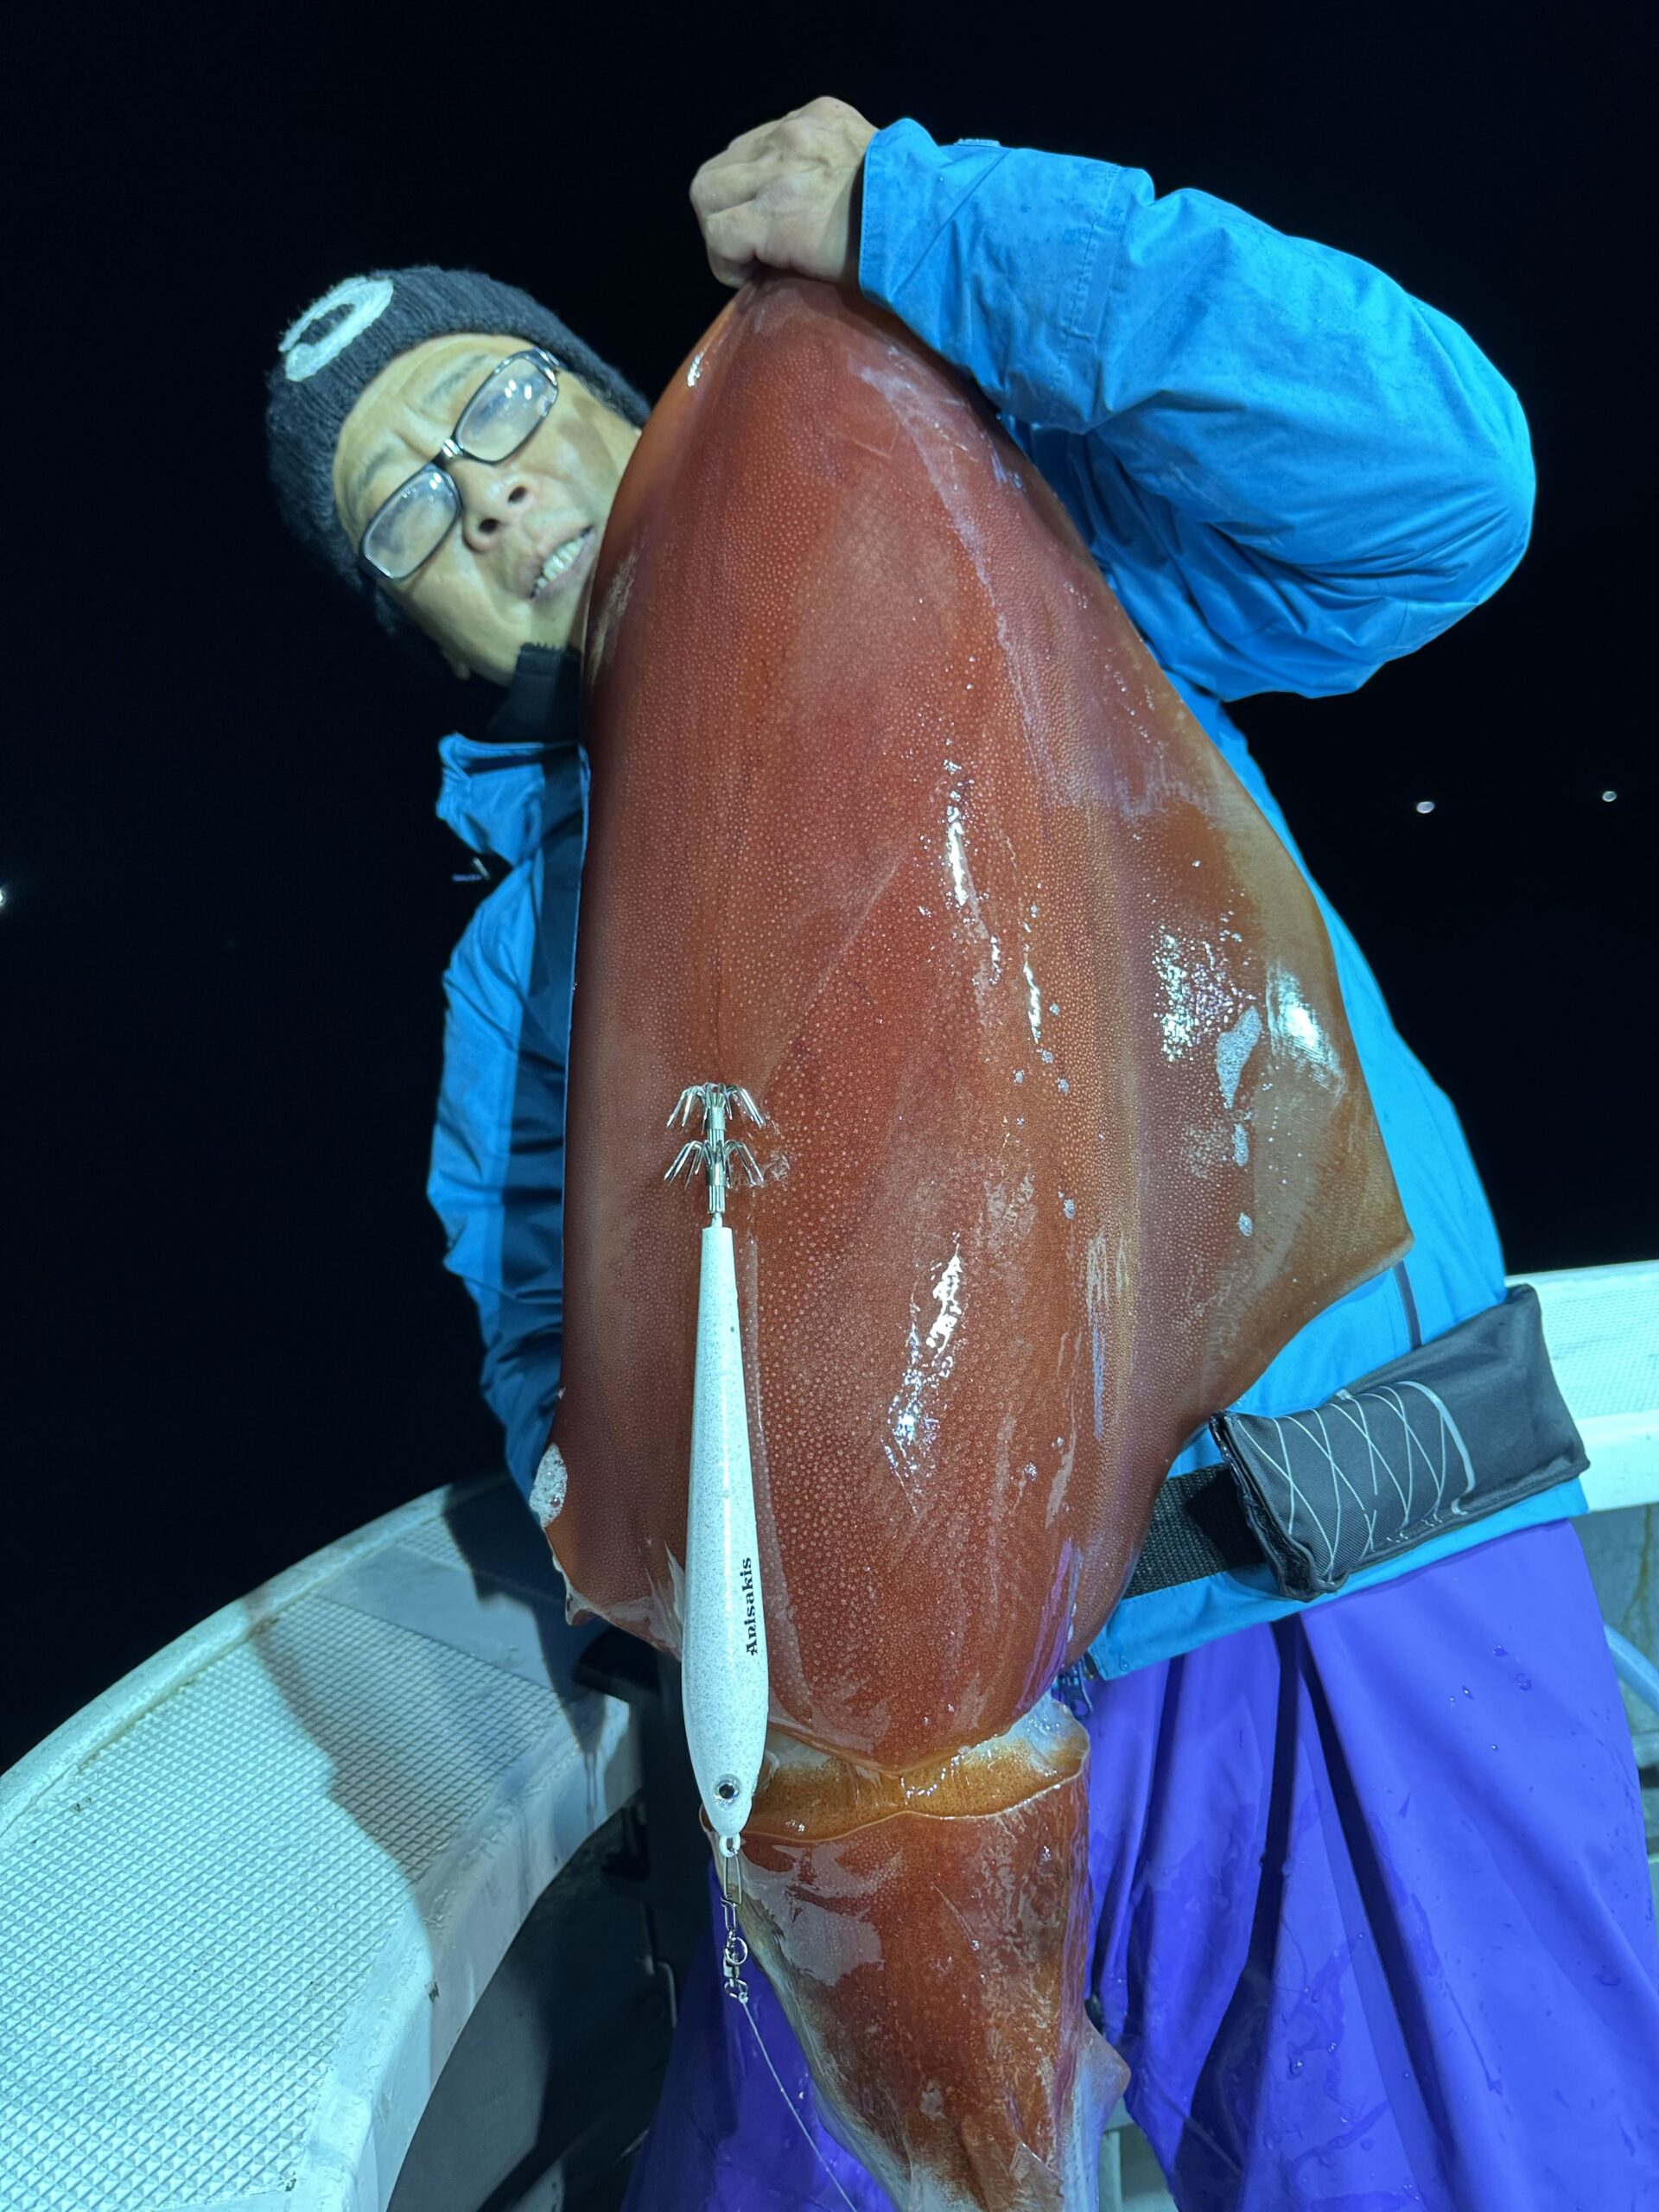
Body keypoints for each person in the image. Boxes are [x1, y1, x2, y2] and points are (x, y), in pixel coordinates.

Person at [265, 99, 1659, 2211]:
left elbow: (1442, 488)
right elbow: (557, 1326)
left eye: (501, 412)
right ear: (417, 629)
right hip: (871, 1775)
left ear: (614, 405)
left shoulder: (1050, 573)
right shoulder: (506, 969)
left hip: (1324, 1580)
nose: (491, 499)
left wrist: (940, 227)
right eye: (408, 517)